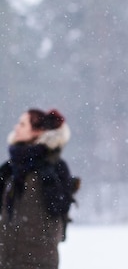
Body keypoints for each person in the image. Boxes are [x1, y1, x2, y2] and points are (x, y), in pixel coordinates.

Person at [0, 109, 77, 269]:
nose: (16, 127)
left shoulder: (55, 168)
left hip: (38, 262)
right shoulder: (10, 168)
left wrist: (49, 180)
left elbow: (59, 208)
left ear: (38, 131)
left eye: (22, 124)